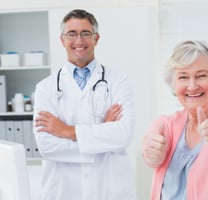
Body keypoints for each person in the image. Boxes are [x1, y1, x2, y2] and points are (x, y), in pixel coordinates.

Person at [33, 9, 135, 200]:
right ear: (62, 40)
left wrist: (65, 131)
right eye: (72, 34)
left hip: (109, 189)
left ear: (96, 38)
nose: (79, 41)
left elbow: (123, 135)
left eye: (85, 33)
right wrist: (102, 133)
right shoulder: (45, 88)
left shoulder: (118, 81)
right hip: (63, 190)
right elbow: (47, 146)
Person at [142, 40, 208, 200]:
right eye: (183, 77)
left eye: (201, 76)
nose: (192, 86)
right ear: (173, 84)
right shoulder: (166, 123)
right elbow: (150, 150)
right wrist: (151, 151)